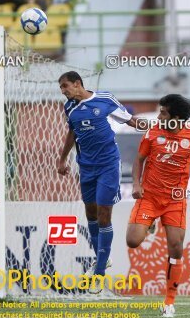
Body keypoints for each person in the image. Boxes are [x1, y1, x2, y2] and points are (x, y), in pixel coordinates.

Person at [57, 71, 140, 294]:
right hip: (86, 167)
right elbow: (71, 133)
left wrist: (156, 128)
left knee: (104, 214)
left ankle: (99, 273)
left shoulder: (104, 99)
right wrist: (63, 158)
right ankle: (101, 260)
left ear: (77, 83)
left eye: (65, 86)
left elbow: (130, 120)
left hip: (108, 165)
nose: (63, 91)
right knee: (91, 214)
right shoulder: (69, 108)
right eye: (61, 89)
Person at [126, 94, 190, 318]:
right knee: (133, 241)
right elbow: (139, 160)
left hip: (176, 199)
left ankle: (169, 302)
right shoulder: (152, 133)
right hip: (150, 196)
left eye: (163, 112)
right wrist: (136, 183)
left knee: (176, 247)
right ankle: (149, 223)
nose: (159, 115)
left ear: (176, 117)